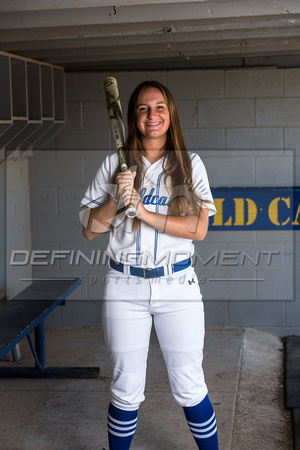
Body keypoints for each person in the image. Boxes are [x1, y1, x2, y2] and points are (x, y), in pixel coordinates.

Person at [80, 80, 219, 450]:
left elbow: (199, 228)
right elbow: (90, 230)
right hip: (125, 287)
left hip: (178, 286)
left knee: (190, 385)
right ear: (133, 117)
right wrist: (116, 197)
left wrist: (143, 210)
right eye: (143, 108)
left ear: (170, 114)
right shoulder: (114, 164)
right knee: (125, 388)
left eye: (159, 107)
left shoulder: (190, 165)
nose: (151, 115)